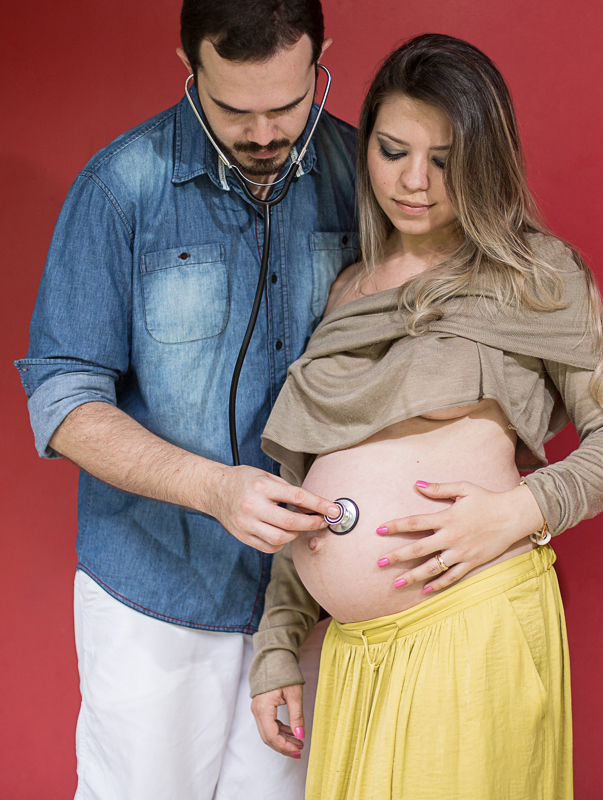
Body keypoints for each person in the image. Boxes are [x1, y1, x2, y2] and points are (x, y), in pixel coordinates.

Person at [246, 33, 603, 799]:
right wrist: (276, 646)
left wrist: (516, 512)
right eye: (393, 151)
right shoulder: (346, 290)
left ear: (486, 162)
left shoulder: (534, 275)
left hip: (471, 629)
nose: (415, 183)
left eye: (446, 161)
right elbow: (301, 491)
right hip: (355, 655)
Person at [14, 1, 357, 798]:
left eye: (288, 104)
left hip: (307, 600)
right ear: (187, 66)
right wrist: (213, 488)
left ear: (321, 60)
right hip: (152, 592)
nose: (265, 132)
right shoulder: (117, 187)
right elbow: (63, 401)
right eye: (235, 109)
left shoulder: (365, 178)